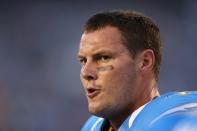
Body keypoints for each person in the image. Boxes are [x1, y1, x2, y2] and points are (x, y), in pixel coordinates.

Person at [77, 10, 197, 131]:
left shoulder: (173, 119)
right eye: (83, 60)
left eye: (104, 58)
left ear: (145, 62)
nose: (86, 73)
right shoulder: (93, 126)